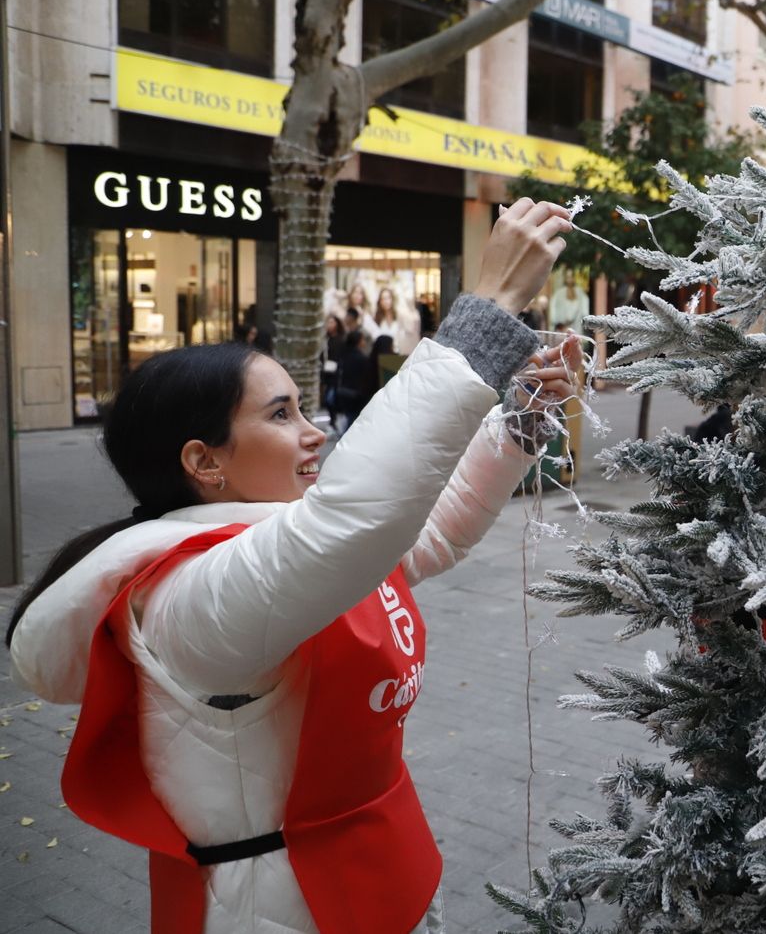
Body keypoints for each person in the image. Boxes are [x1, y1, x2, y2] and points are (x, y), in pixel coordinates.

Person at [5, 198, 580, 934]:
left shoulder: (280, 548)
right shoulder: (186, 594)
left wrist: (523, 416)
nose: (315, 434)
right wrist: (487, 312)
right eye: (281, 415)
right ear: (203, 461)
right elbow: (354, 523)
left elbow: (425, 529)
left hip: (372, 875)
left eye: (304, 409)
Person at [319, 314, 345, 415]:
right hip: (327, 372)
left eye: (332, 322)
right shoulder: (325, 340)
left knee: (331, 398)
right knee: (328, 398)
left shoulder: (341, 339)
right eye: (328, 322)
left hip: (337, 373)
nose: (329, 325)